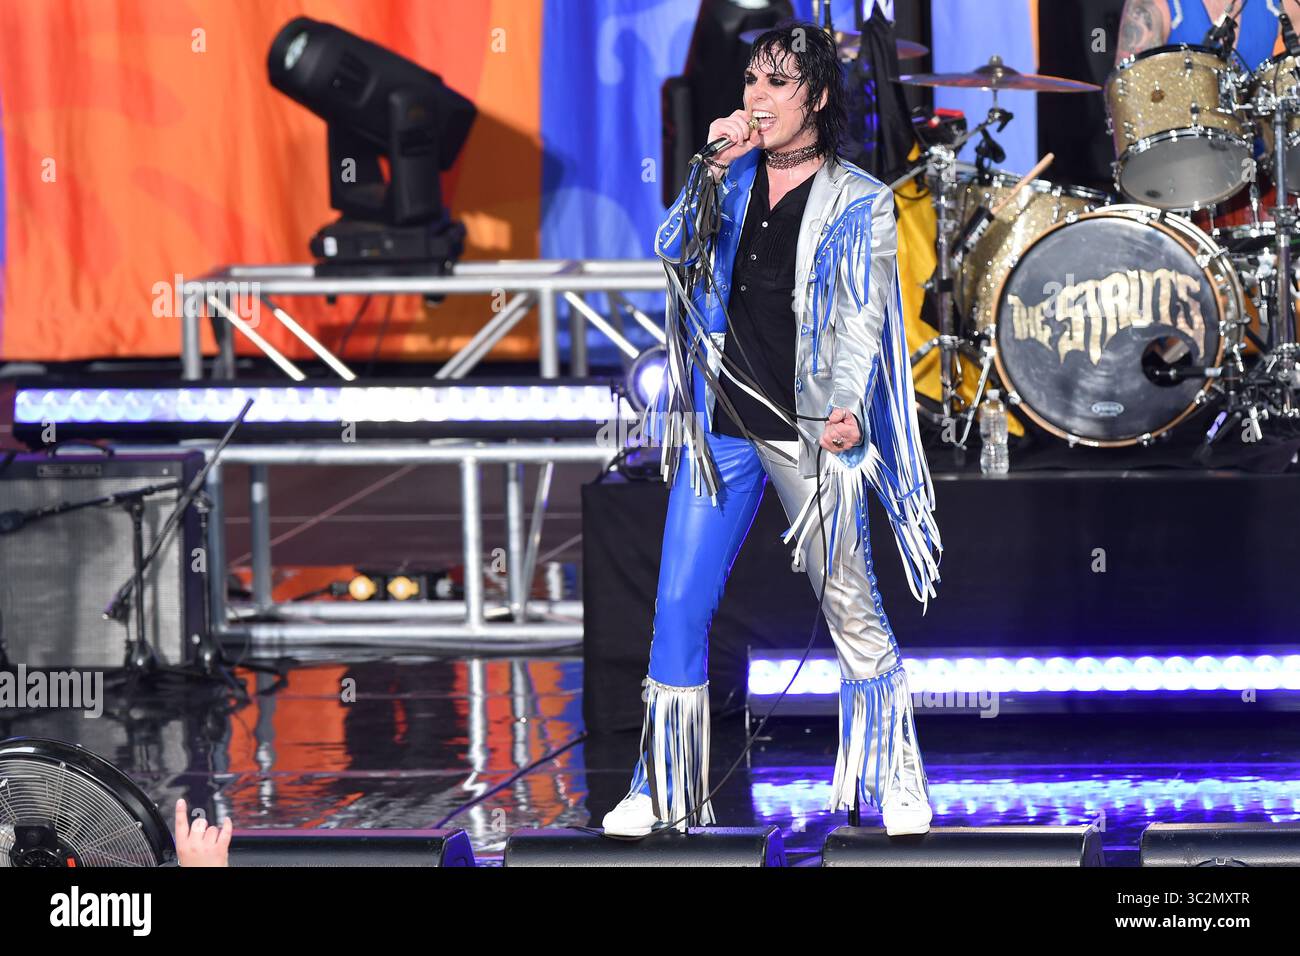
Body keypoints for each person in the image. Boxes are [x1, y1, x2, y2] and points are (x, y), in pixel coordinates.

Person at [601, 23, 941, 838]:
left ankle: (895, 774)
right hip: (720, 427)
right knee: (678, 606)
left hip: (809, 426)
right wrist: (710, 166)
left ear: (817, 98)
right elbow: (671, 250)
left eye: (777, 83)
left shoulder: (860, 200)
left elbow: (862, 319)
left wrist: (853, 406)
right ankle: (660, 786)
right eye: (752, 79)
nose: (756, 97)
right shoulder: (731, 174)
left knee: (850, 605)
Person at [1114, 0, 1296, 67]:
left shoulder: (1277, 5)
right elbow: (1127, 96)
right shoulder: (1154, 6)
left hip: (1260, 150)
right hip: (1182, 148)